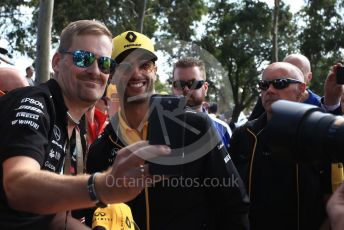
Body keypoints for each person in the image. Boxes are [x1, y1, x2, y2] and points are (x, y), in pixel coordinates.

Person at [0, 20, 170, 230]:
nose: (95, 70)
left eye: (105, 63)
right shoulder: (35, 102)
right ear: (56, 62)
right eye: (83, 59)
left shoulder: (75, 128)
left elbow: (55, 218)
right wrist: (103, 187)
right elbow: (18, 186)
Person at [86, 31, 249, 230]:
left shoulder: (195, 126)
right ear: (111, 75)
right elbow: (92, 210)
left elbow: (234, 201)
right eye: (125, 66)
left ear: (155, 70)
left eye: (144, 65)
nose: (136, 73)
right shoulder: (101, 148)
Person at [230, 62, 330, 229]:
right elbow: (231, 194)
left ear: (302, 89)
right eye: (264, 85)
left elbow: (333, 198)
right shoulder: (244, 135)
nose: (270, 90)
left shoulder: (320, 135)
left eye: (280, 83)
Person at [172, 57, 232, 150]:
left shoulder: (223, 129)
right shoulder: (158, 127)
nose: (186, 89)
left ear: (206, 88)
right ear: (173, 87)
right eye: (180, 84)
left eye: (193, 83)